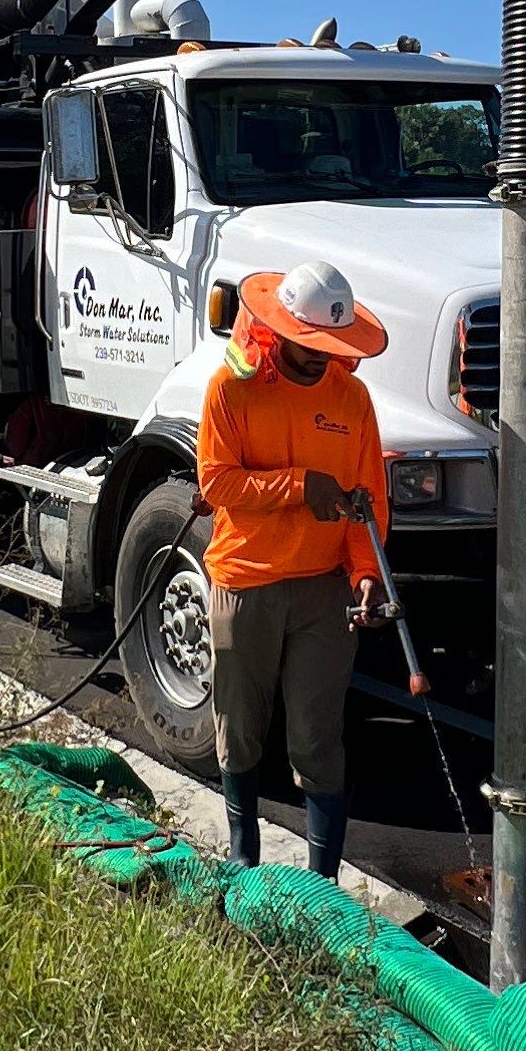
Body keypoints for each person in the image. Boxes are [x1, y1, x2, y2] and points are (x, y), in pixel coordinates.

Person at [196, 258, 390, 882]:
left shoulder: (352, 399)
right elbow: (216, 482)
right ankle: (241, 860)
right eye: (306, 344)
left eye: (327, 347)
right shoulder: (232, 387)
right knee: (241, 727)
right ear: (279, 329)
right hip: (245, 581)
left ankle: (321, 885)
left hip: (322, 590)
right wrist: (299, 486)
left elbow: (368, 498)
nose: (317, 357)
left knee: (317, 738)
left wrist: (365, 573)